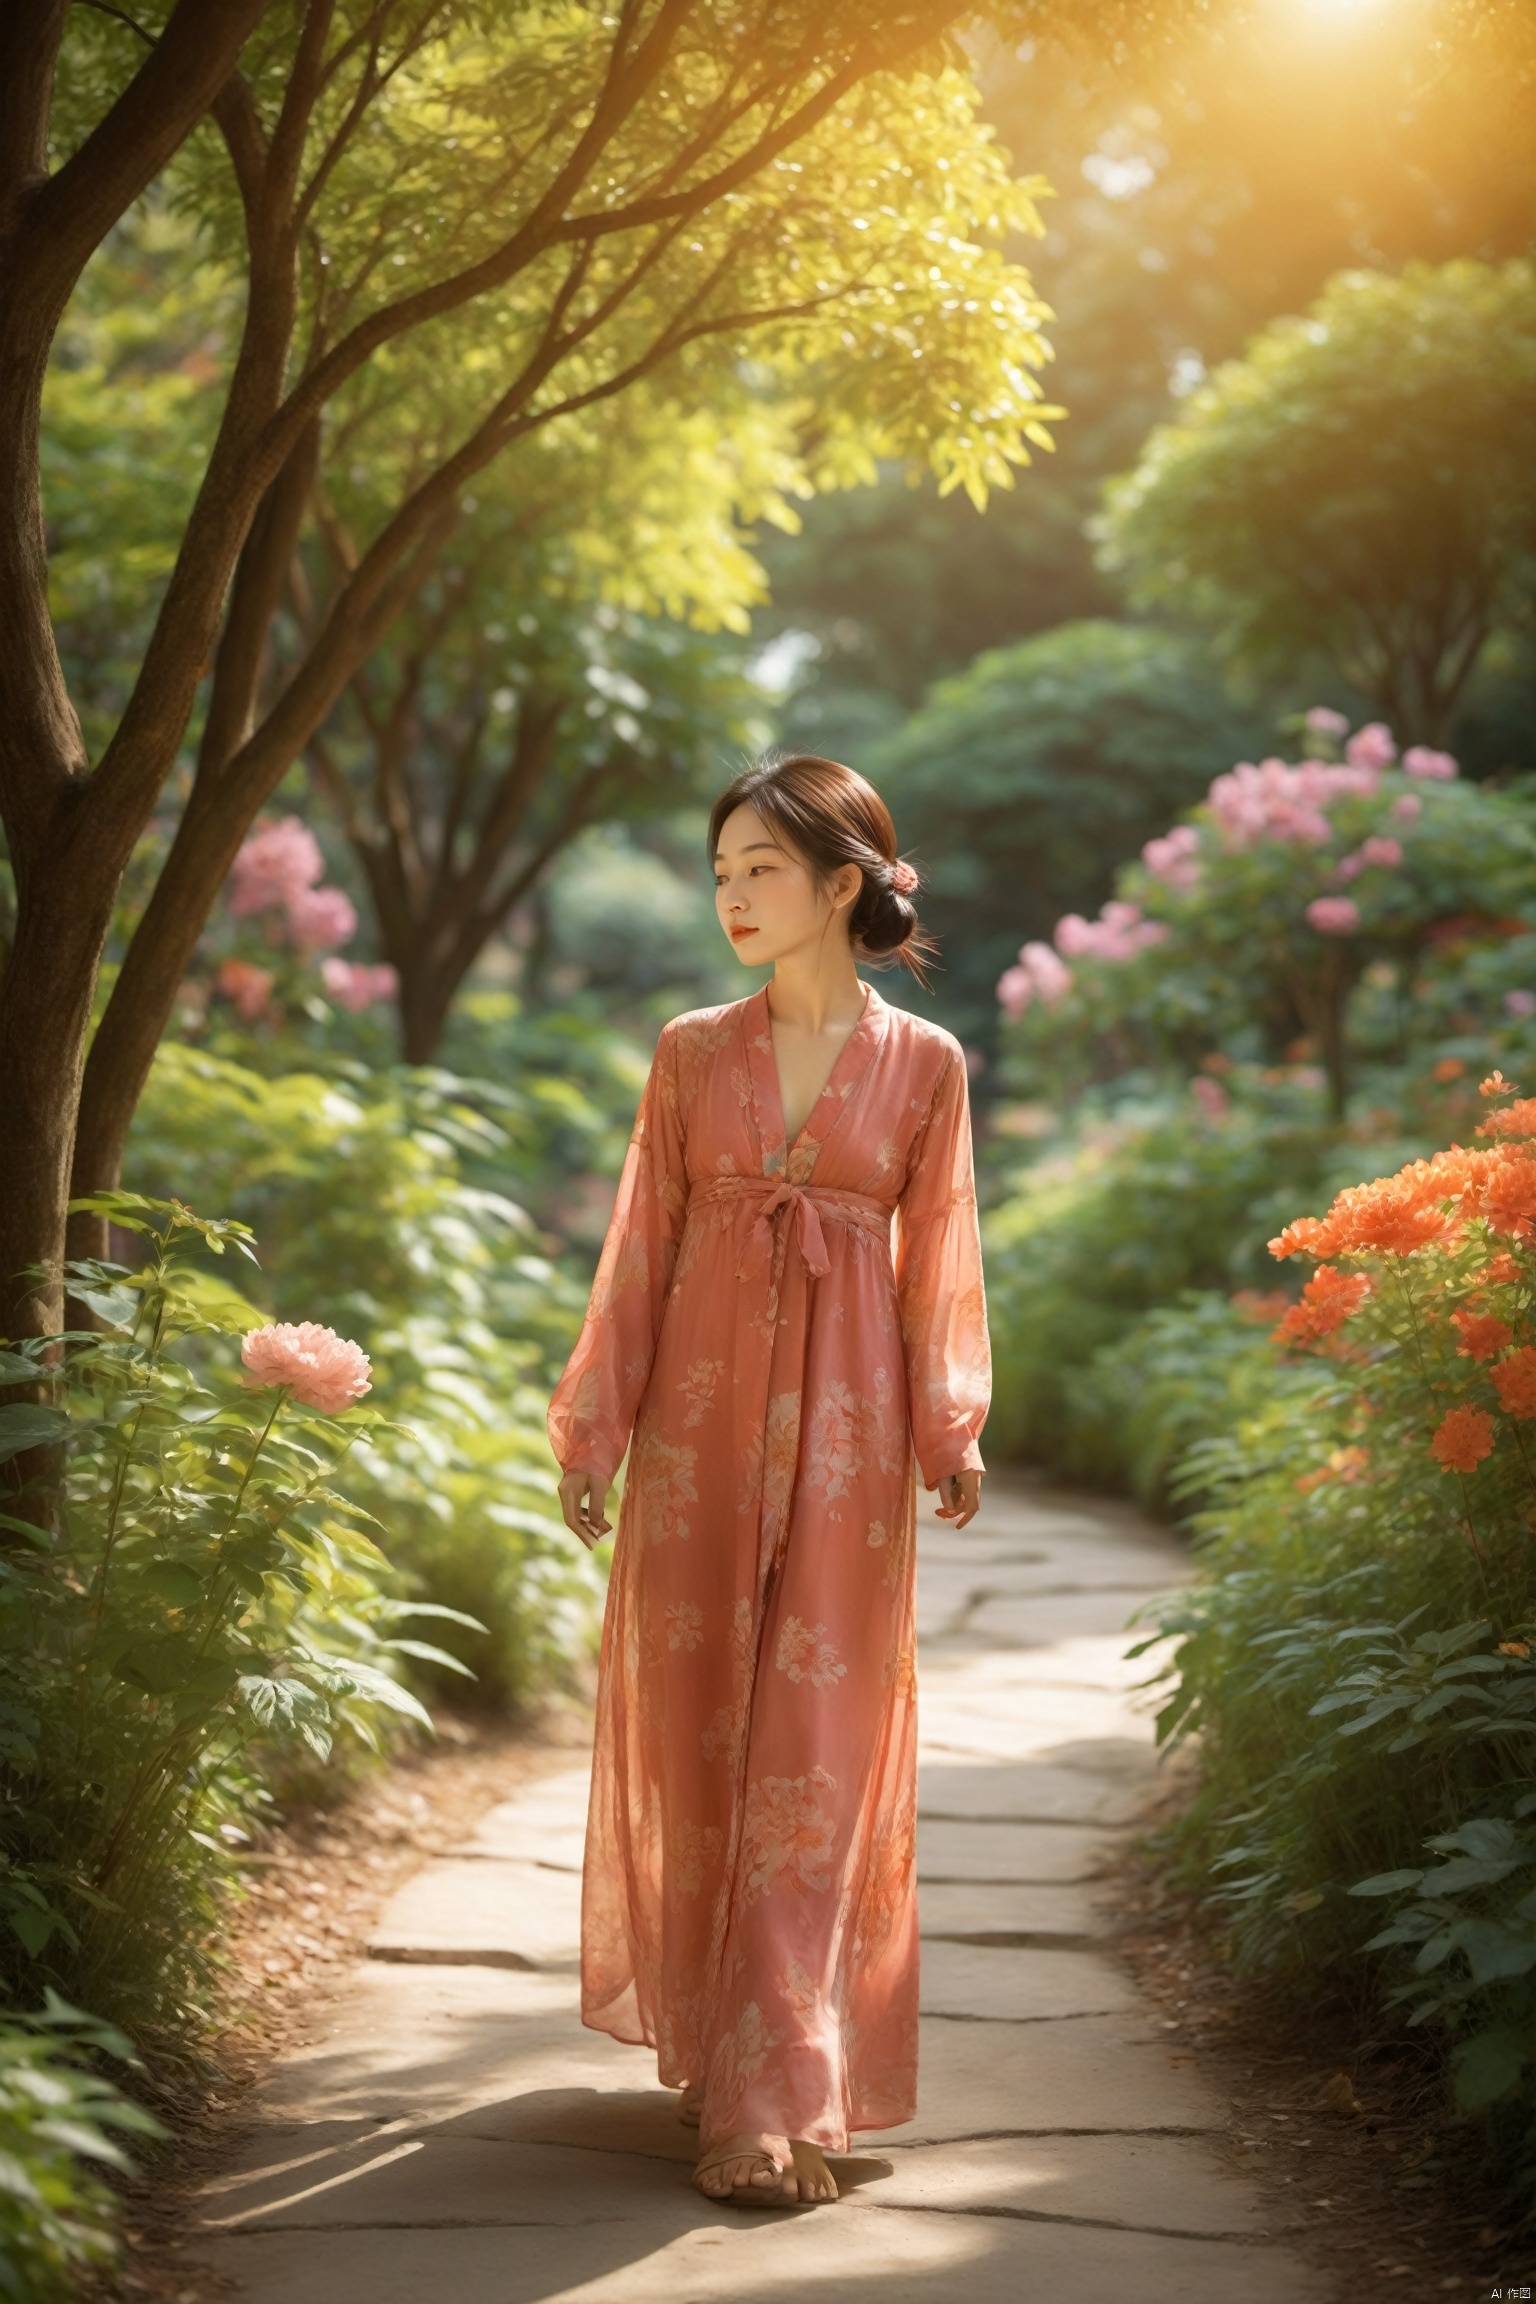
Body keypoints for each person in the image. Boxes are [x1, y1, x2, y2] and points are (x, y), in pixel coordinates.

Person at [548, 753, 990, 2207]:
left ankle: (774, 2092)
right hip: (699, 1440)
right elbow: (638, 1248)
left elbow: (944, 1265)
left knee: (815, 1757)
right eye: (720, 868)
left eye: (761, 868)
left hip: (850, 1453)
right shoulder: (691, 1053)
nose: (731, 893)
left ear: (842, 882)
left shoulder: (925, 1068)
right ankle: (723, 2042)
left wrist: (950, 1428)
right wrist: (598, 1426)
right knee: (698, 1744)